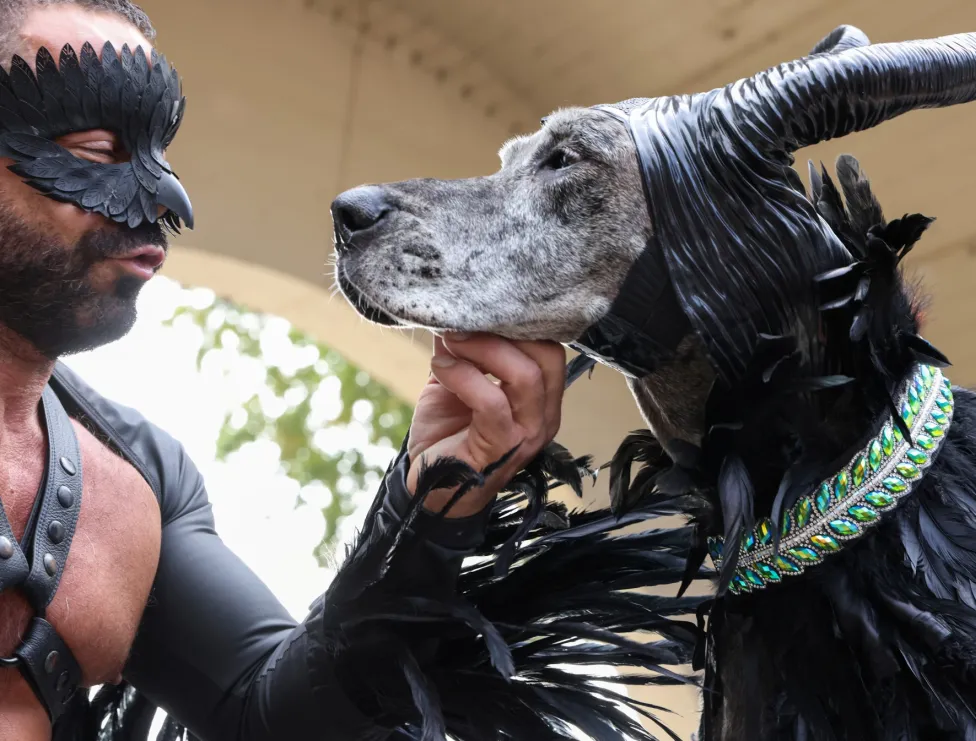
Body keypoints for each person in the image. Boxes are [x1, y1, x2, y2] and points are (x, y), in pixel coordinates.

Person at [0, 2, 566, 739]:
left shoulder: (140, 479)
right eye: (101, 146)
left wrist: (429, 500)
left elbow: (271, 716)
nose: (168, 198)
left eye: (161, 153)